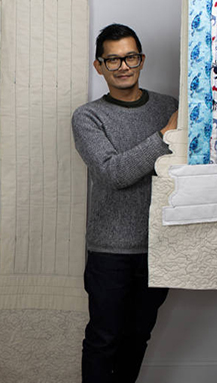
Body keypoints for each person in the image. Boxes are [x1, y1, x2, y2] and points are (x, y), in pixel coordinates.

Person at [72, 24, 178, 383]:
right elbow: (114, 173)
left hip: (159, 247)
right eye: (112, 59)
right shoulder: (88, 117)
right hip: (110, 252)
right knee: (104, 340)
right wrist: (165, 136)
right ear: (98, 66)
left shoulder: (170, 106)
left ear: (142, 60)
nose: (122, 66)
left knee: (138, 338)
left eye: (129, 56)